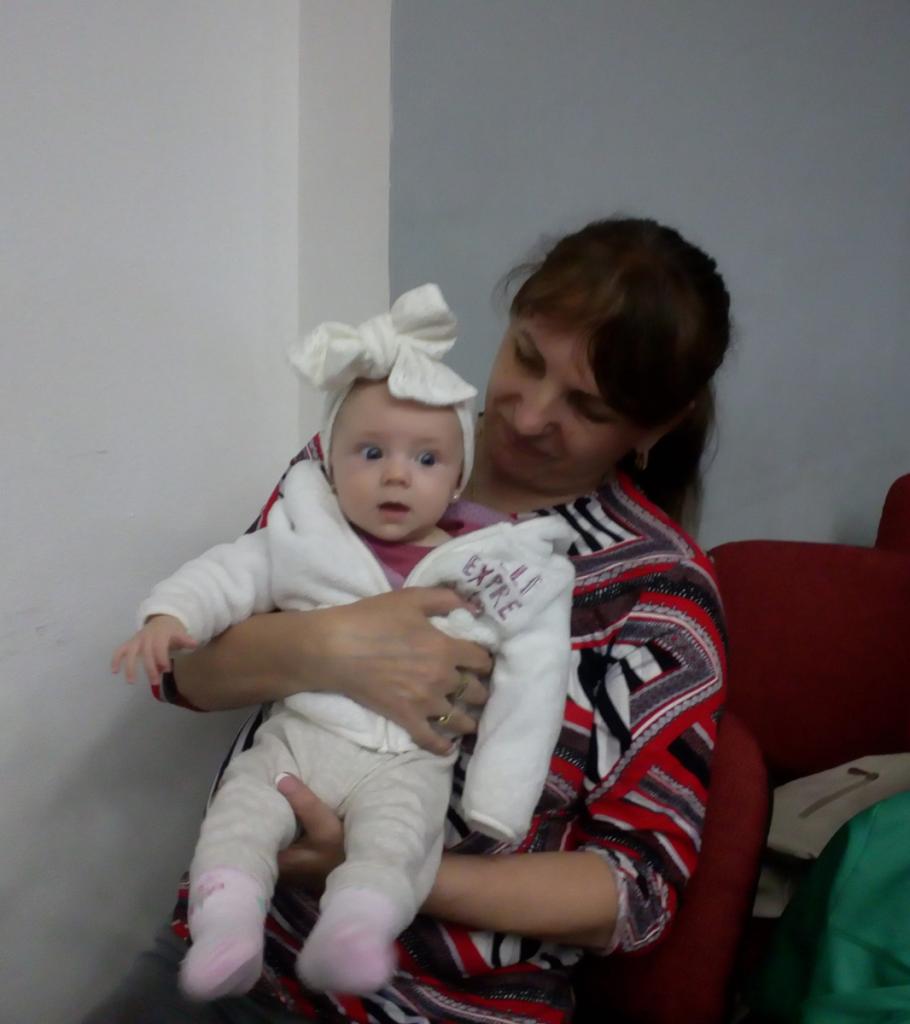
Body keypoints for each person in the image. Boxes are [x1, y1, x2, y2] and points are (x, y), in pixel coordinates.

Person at [85, 217, 731, 1024]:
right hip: (246, 948)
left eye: (586, 407)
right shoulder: (372, 446)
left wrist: (378, 869)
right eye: (527, 358)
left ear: (653, 429)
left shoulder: (659, 593)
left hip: (446, 1005)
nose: (530, 416)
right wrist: (332, 645)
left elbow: (634, 895)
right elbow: (185, 671)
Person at [110, 284, 576, 1000]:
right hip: (300, 739)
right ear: (330, 461)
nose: (396, 474)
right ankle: (227, 927)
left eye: (426, 460)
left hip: (408, 762)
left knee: (397, 844)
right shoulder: (308, 532)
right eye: (371, 452)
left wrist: (499, 799)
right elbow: (233, 571)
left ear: (457, 477)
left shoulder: (495, 565)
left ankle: (353, 933)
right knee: (240, 813)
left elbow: (533, 683)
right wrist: (171, 615)